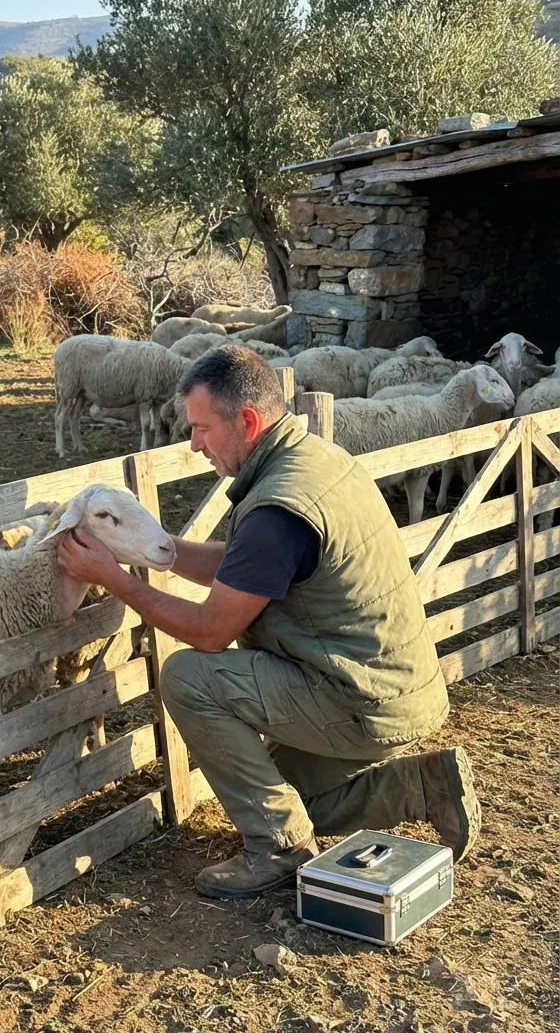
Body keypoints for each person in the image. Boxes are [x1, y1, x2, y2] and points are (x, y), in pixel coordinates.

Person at [57, 344, 480, 898]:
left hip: (357, 699)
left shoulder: (279, 507)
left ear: (248, 421)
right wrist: (151, 549)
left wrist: (116, 581)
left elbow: (212, 630)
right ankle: (425, 787)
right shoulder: (311, 460)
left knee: (188, 677)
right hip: (396, 688)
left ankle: (278, 849)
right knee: (288, 797)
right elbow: (243, 567)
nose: (194, 443)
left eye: (203, 428)